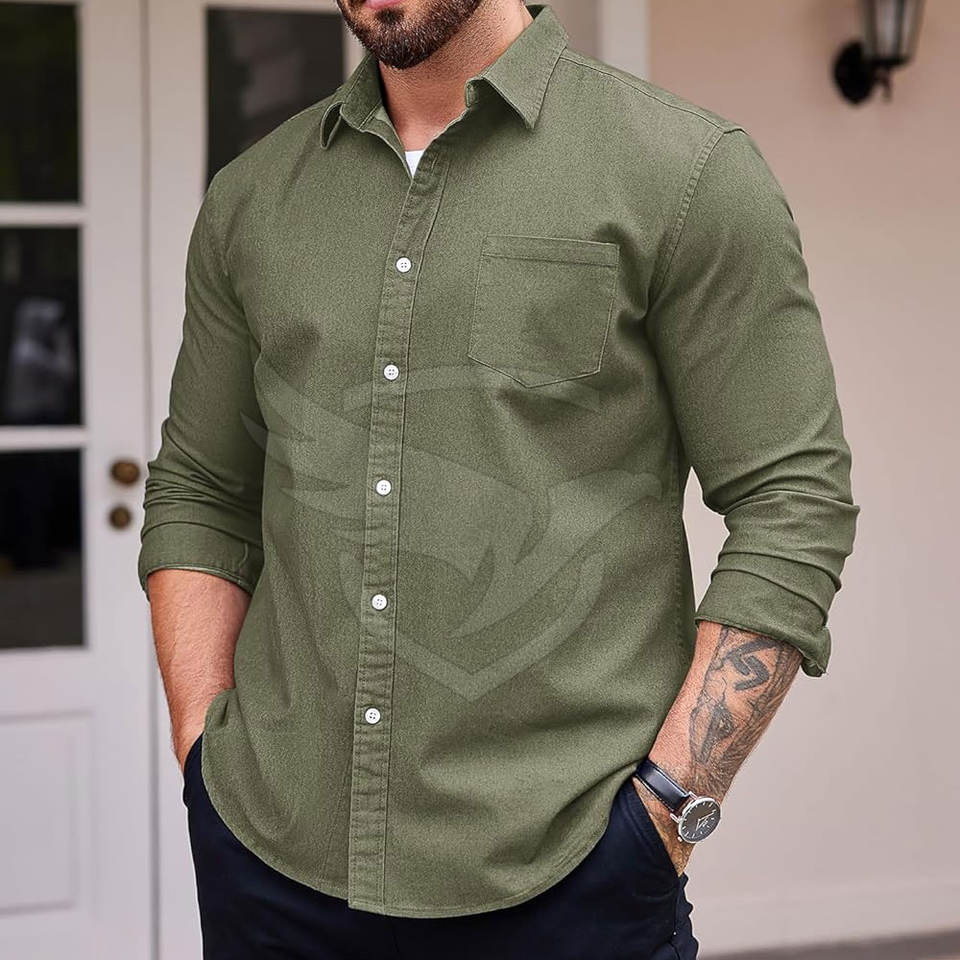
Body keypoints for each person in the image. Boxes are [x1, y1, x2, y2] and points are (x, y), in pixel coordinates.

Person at [138, 1, 860, 957]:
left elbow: (794, 503)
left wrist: (671, 806)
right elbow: (201, 491)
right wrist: (204, 762)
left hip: (571, 876)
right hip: (273, 867)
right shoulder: (254, 196)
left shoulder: (684, 174)